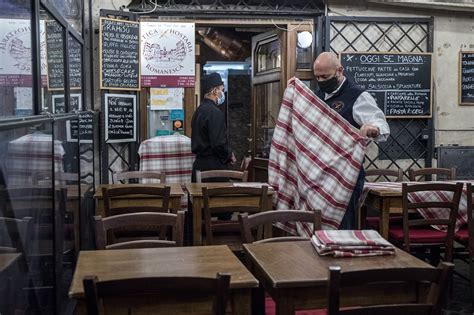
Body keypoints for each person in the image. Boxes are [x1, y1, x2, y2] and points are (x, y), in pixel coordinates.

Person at [313, 52, 390, 229]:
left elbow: (380, 122)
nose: (321, 80)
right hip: (321, 175)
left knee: (343, 225)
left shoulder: (357, 96)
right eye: (317, 77)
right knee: (319, 225)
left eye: (325, 76)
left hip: (347, 174)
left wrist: (373, 128)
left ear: (340, 71)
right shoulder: (317, 97)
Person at [191, 72, 236, 183]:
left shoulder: (198, 111)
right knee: (216, 200)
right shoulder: (215, 112)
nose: (222, 92)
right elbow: (218, 143)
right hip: (213, 169)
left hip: (199, 167)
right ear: (215, 91)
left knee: (198, 199)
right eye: (222, 89)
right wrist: (229, 155)